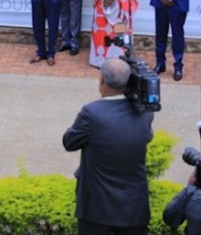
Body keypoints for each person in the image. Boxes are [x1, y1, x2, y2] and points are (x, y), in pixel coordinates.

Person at [63, 58, 154, 235]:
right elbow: (146, 137)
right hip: (133, 208)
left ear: (102, 80)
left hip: (97, 209)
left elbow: (69, 142)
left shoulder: (91, 113)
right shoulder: (145, 112)